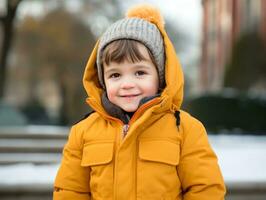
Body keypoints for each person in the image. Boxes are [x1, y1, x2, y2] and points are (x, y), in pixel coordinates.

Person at [53, 4, 226, 200]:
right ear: (103, 80)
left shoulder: (185, 130)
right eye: (115, 75)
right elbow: (70, 191)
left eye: (140, 73)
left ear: (160, 76)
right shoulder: (83, 133)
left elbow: (206, 189)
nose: (127, 84)